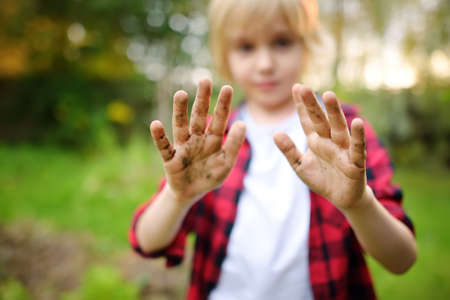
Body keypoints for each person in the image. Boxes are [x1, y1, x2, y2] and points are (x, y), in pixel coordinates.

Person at [129, 0, 417, 299]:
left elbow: (402, 259)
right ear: (225, 55)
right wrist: (177, 197)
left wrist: (359, 205)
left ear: (306, 45)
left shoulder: (343, 133)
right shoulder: (211, 141)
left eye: (282, 42)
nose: (265, 64)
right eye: (246, 47)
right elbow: (147, 241)